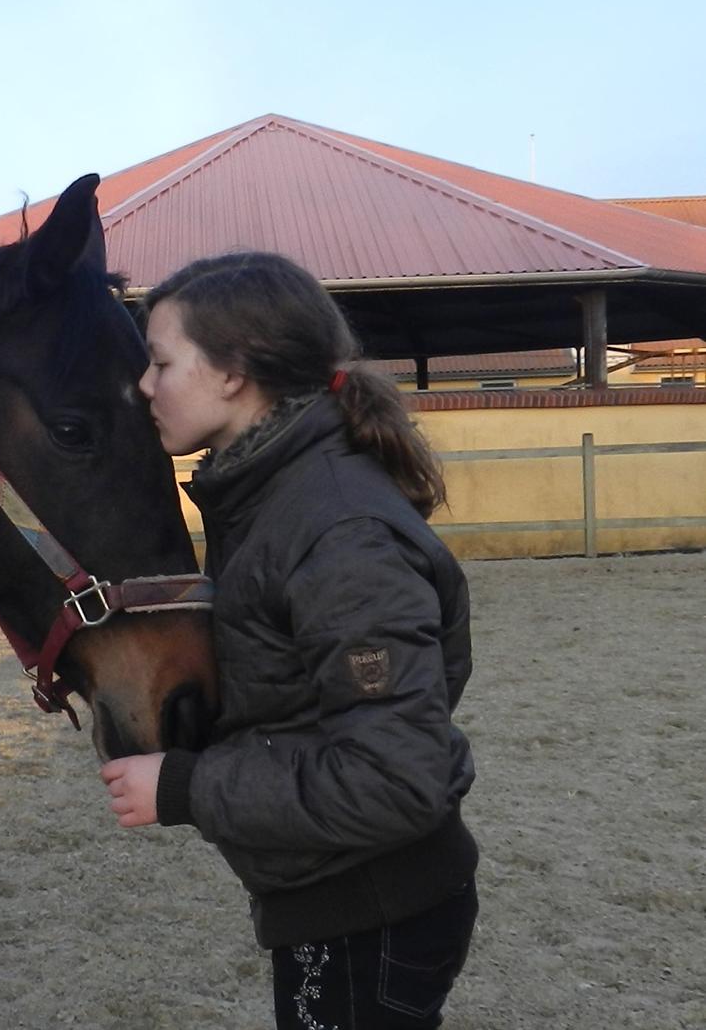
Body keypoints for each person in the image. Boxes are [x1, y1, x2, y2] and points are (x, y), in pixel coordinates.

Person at [101, 252, 479, 1029]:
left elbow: (395, 775)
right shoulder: (270, 497)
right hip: (339, 896)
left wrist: (185, 786)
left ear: (234, 372)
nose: (145, 386)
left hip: (371, 912)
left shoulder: (337, 528)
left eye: (162, 362)